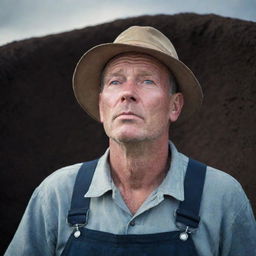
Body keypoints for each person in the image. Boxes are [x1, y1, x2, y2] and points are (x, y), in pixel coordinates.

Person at [5, 26, 256, 256]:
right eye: (116, 81)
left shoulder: (222, 197)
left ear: (174, 106)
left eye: (147, 80)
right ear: (102, 107)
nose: (128, 93)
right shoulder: (57, 194)